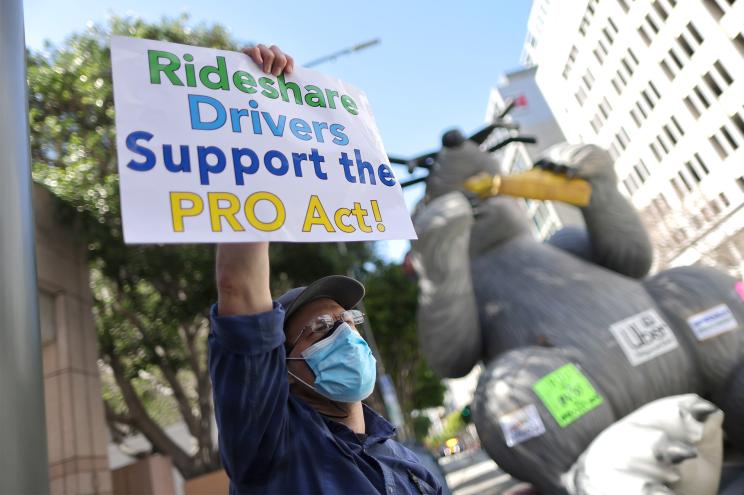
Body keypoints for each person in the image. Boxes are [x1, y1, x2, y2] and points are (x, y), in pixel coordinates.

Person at [209, 45, 443, 495]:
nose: (346, 336)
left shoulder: (408, 461)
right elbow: (238, 288)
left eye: (347, 321)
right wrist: (247, 112)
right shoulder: (272, 450)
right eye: (320, 327)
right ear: (283, 366)